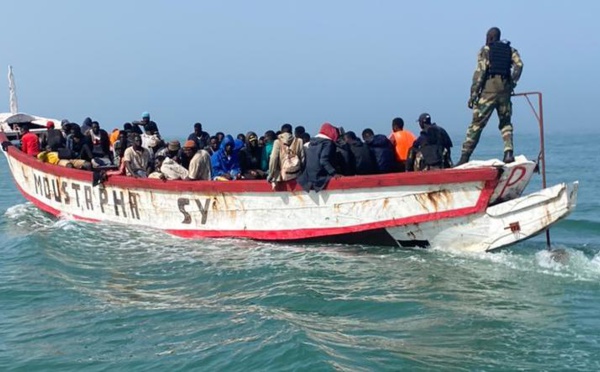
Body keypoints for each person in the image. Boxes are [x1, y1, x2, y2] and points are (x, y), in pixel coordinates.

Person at [457, 27, 524, 165]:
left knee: (476, 124)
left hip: (488, 91)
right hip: (505, 91)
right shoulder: (510, 50)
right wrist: (512, 84)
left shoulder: (486, 50)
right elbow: (519, 65)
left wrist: (474, 94)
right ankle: (508, 152)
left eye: (487, 37)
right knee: (505, 123)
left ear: (491, 38)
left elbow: (480, 72)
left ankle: (464, 157)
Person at [297, 122, 340, 192]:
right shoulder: (328, 143)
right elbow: (323, 160)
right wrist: (334, 173)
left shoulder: (310, 143)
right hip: (319, 177)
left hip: (307, 179)